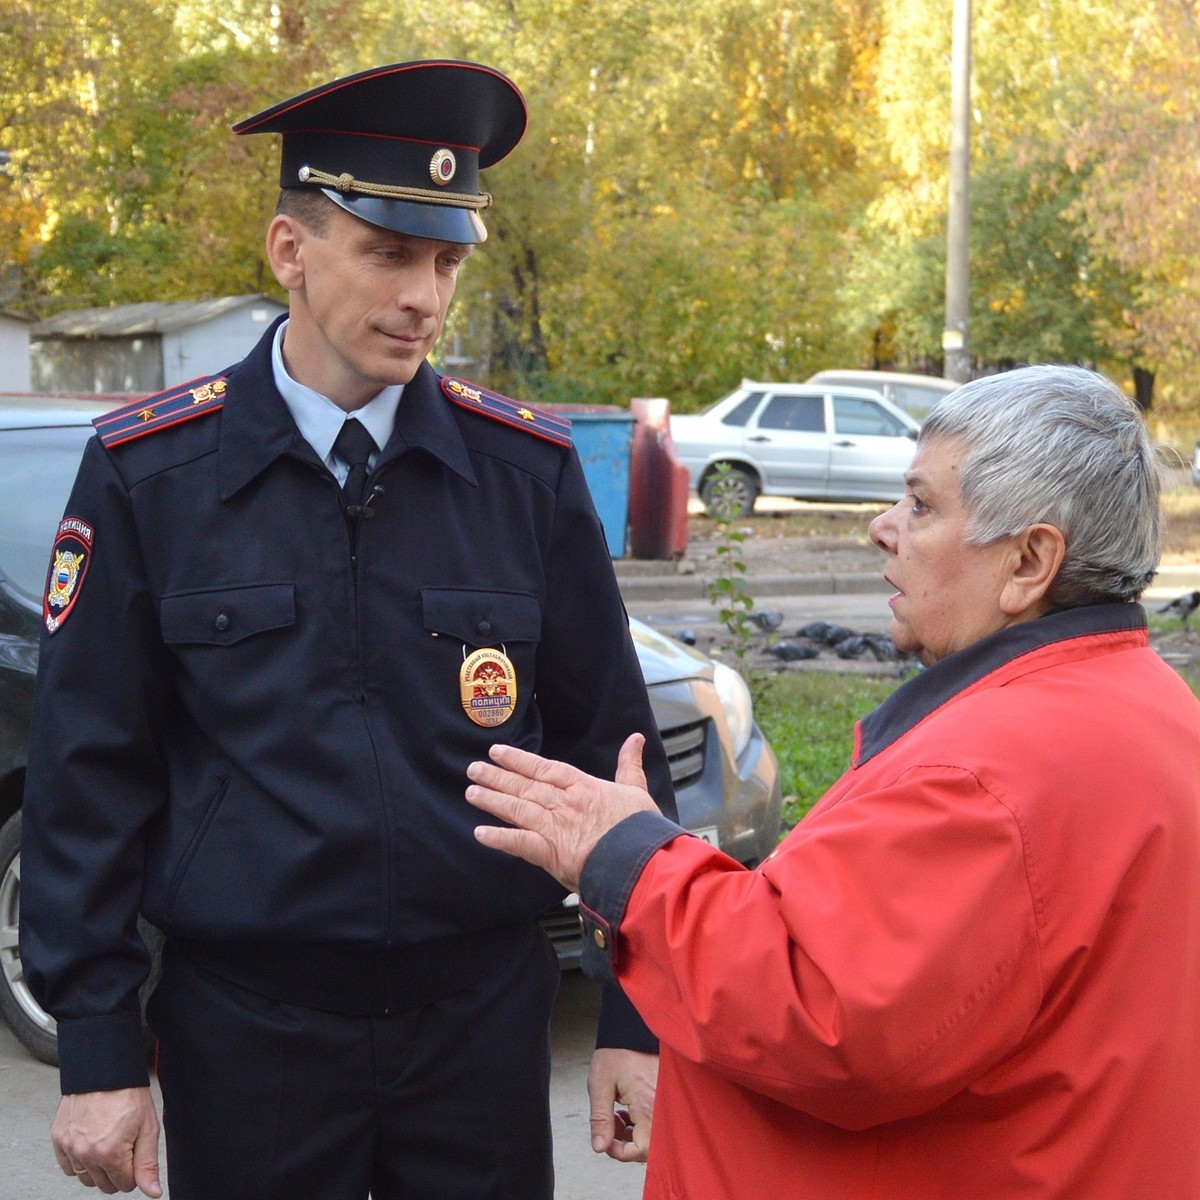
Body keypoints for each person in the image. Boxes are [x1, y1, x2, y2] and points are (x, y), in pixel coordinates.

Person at [21, 59, 675, 1199]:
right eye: (388, 253)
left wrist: (635, 1014)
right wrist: (97, 1049)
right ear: (291, 251)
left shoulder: (522, 474)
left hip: (478, 1023)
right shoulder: (153, 477)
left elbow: (614, 757)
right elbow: (88, 775)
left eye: (445, 260)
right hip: (249, 1031)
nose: (424, 295)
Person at [466, 364, 1200, 1199]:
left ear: (1031, 560)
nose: (885, 528)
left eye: (922, 506)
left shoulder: (990, 770)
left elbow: (817, 1009)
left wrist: (624, 856)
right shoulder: (1151, 706)